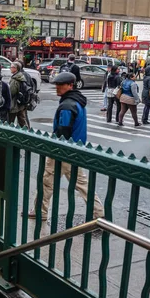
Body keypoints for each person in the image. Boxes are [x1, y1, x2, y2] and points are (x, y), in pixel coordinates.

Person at [27, 72, 104, 222]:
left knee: (48, 181)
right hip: (74, 148)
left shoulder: (67, 106)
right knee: (81, 184)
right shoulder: (76, 101)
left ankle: (40, 211)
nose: (57, 87)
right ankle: (99, 212)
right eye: (56, 84)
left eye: (61, 85)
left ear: (70, 85)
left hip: (63, 151)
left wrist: (56, 149)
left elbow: (63, 131)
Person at [9, 62, 29, 128]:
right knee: (22, 121)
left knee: (9, 121)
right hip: (21, 103)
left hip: (14, 104)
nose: (10, 68)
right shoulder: (21, 76)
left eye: (11, 67)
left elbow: (11, 92)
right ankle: (27, 134)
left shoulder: (15, 79)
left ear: (15, 68)